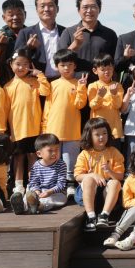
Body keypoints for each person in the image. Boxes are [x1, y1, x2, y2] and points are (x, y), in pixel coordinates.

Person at [4, 48, 50, 194]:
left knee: (32, 156)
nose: (21, 67)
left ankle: (32, 184)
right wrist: (5, 129)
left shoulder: (35, 82)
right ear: (11, 64)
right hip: (17, 128)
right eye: (18, 64)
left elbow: (46, 91)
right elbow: (4, 110)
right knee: (18, 157)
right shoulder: (8, 86)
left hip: (34, 127)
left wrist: (40, 75)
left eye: (25, 64)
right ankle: (18, 186)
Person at [42, 49, 88, 192]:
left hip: (72, 130)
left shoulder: (78, 83)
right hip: (53, 128)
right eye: (63, 65)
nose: (66, 68)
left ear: (75, 66)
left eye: (69, 65)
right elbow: (47, 107)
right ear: (57, 66)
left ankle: (70, 185)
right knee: (53, 158)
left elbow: (80, 104)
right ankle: (56, 186)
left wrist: (82, 88)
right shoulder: (53, 84)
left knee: (70, 159)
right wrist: (44, 128)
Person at [75, 117, 126, 231]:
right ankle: (91, 217)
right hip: (88, 193)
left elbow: (120, 176)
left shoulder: (114, 152)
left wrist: (109, 172)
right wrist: (93, 175)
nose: (101, 137)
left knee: (115, 183)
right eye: (97, 134)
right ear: (89, 136)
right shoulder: (85, 154)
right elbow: (77, 176)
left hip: (106, 193)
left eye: (104, 133)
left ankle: (104, 215)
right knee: (88, 179)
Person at [58, 0, 118, 75]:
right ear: (79, 10)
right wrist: (75, 44)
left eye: (93, 7)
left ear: (99, 9)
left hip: (101, 81)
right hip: (75, 81)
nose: (89, 11)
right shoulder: (68, 32)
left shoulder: (110, 34)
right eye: (85, 7)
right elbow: (59, 60)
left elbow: (115, 62)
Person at [10, 133, 68, 215]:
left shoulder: (61, 164)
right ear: (39, 154)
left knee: (58, 199)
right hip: (39, 192)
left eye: (57, 149)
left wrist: (49, 192)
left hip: (54, 192)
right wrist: (36, 192)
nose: (54, 153)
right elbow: (33, 182)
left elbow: (61, 184)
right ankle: (22, 206)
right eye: (50, 150)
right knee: (29, 194)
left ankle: (38, 206)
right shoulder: (36, 166)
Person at [14, 0, 65, 80]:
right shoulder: (25, 32)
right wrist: (28, 47)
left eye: (50, 5)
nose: (46, 9)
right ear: (37, 10)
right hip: (35, 81)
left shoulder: (65, 32)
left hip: (61, 81)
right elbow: (15, 58)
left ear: (57, 9)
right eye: (42, 6)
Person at [87, 53, 124, 143]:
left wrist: (114, 94)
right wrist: (99, 96)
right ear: (95, 71)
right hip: (98, 129)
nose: (107, 72)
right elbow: (93, 106)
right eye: (103, 69)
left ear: (113, 69)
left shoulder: (117, 85)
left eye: (109, 68)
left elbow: (118, 106)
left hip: (114, 129)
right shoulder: (93, 86)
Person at [0, 0, 26, 65]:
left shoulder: (31, 34)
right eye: (11, 15)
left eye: (19, 14)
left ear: (25, 14)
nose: (15, 17)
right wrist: (1, 47)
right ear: (4, 17)